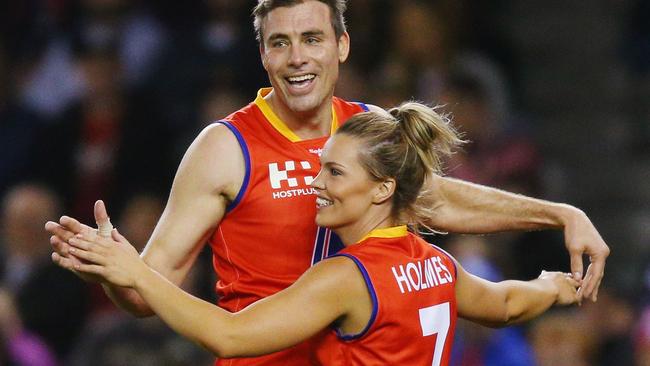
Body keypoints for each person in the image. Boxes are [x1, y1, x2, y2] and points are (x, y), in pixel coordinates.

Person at [45, 1, 608, 365]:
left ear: (341, 46)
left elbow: (437, 195)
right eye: (280, 43)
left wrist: (559, 213)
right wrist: (120, 272)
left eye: (312, 38)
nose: (297, 58)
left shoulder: (364, 133)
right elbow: (145, 293)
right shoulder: (224, 148)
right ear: (262, 55)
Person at [62, 102, 581, 365]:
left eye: (334, 172)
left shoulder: (347, 277)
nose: (315, 181)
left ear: (382, 190)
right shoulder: (436, 264)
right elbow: (508, 303)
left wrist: (136, 272)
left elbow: (230, 334)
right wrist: (559, 286)